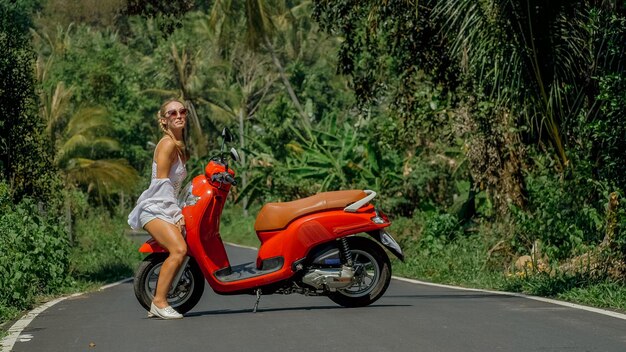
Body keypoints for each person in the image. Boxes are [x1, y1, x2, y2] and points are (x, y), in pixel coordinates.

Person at [128, 99, 189, 319]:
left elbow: (175, 187)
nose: (179, 115)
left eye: (182, 111)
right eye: (172, 113)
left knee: (183, 248)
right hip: (154, 209)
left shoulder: (180, 147)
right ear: (164, 120)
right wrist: (176, 214)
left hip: (163, 206)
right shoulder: (168, 144)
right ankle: (159, 301)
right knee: (179, 250)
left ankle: (159, 299)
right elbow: (162, 186)